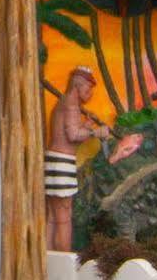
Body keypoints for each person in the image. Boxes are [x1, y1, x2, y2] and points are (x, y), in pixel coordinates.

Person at [46, 65, 111, 254]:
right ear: (78, 86)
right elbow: (73, 135)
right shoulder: (72, 105)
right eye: (88, 89)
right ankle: (65, 262)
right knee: (64, 217)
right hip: (61, 163)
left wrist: (87, 125)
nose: (90, 94)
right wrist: (96, 131)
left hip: (54, 161)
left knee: (53, 216)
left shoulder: (64, 102)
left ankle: (49, 257)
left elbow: (67, 132)